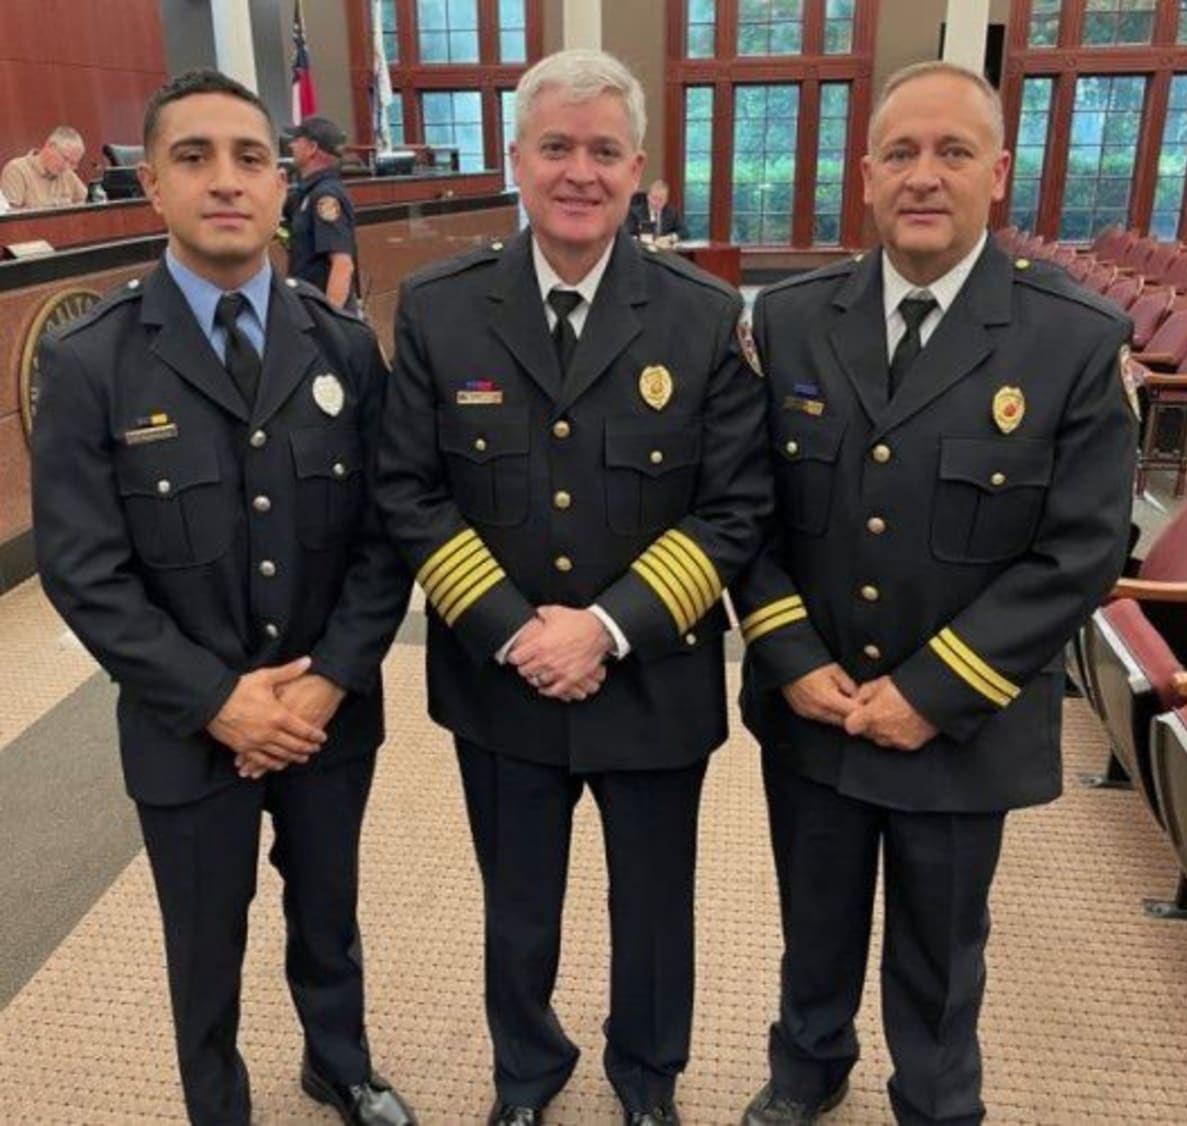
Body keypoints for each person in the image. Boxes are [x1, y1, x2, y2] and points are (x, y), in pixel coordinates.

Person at [732, 61, 1136, 1126]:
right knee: (812, 918)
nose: (924, 175)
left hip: (962, 721)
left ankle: (937, 1098)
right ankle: (808, 1067)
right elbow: (745, 513)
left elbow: (1082, 548)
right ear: (864, 174)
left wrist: (932, 691)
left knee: (942, 941)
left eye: (952, 152)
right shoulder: (791, 322)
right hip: (814, 702)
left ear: (996, 174)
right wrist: (792, 658)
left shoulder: (1073, 339)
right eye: (901, 153)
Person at [375, 48, 770, 1126]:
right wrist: (517, 632)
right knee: (519, 908)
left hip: (651, 676)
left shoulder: (700, 314)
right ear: (518, 160)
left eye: (603, 150)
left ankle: (648, 1083)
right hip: (500, 680)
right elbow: (408, 491)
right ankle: (526, 1078)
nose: (579, 171)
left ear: (639, 168)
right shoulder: (441, 308)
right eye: (557, 146)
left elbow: (735, 507)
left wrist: (603, 628)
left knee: (653, 911)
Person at [31, 69, 415, 1126]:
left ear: (284, 184)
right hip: (183, 722)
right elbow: (85, 571)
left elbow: (387, 538)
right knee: (205, 934)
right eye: (194, 158)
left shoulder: (337, 343)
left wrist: (329, 682)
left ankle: (340, 1060)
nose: (227, 181)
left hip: (328, 713)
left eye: (251, 158)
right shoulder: (91, 359)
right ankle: (217, 1102)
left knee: (328, 912)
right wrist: (219, 700)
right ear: (151, 184)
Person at [283, 114, 358, 309]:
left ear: (312, 148)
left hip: (321, 313)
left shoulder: (325, 197)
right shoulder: (306, 193)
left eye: (297, 140)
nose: (291, 146)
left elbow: (342, 265)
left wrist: (330, 320)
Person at [1, 125, 88, 208]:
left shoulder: (67, 174)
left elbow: (90, 204)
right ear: (50, 146)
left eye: (73, 163)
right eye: (65, 159)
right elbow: (11, 219)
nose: (67, 166)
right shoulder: (17, 170)